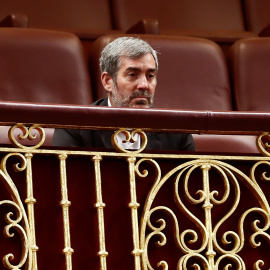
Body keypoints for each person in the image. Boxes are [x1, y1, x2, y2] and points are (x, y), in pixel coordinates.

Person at [52, 37, 196, 151]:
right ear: (108, 81)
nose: (144, 85)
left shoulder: (176, 132)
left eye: (150, 76)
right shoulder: (73, 129)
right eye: (132, 75)